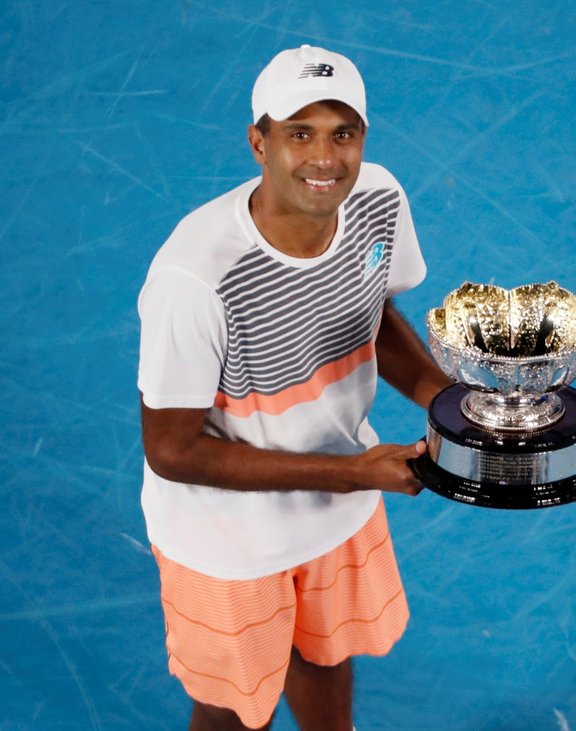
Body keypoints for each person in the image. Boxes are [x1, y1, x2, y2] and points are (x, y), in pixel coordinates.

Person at [136, 45, 450, 731]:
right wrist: (346, 473)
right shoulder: (195, 276)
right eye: (298, 133)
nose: (325, 158)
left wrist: (443, 398)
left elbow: (373, 313)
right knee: (230, 709)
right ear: (259, 141)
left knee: (326, 656)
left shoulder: (378, 200)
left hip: (337, 507)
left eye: (343, 133)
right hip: (227, 541)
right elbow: (171, 449)